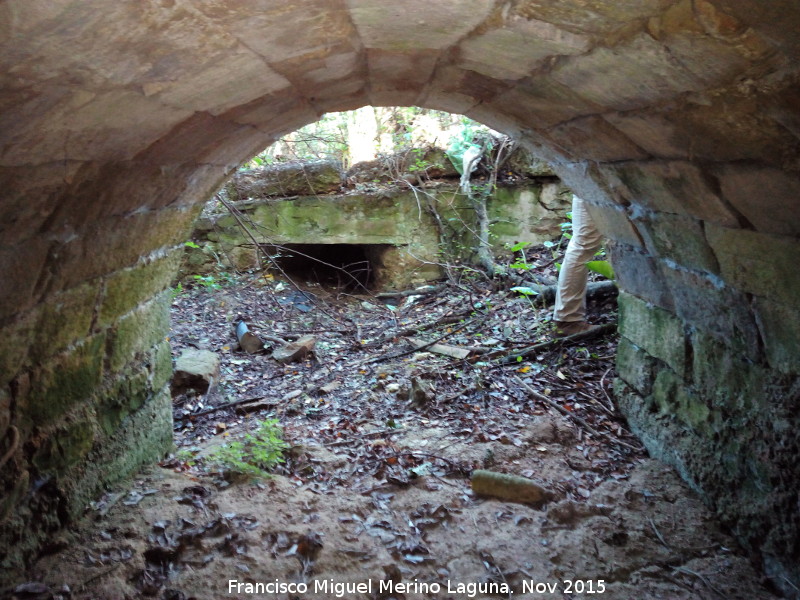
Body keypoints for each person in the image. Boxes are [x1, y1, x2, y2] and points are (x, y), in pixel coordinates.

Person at [552, 195, 604, 336]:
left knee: (584, 245)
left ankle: (567, 317)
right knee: (583, 245)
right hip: (595, 183)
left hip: (596, 182)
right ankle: (567, 320)